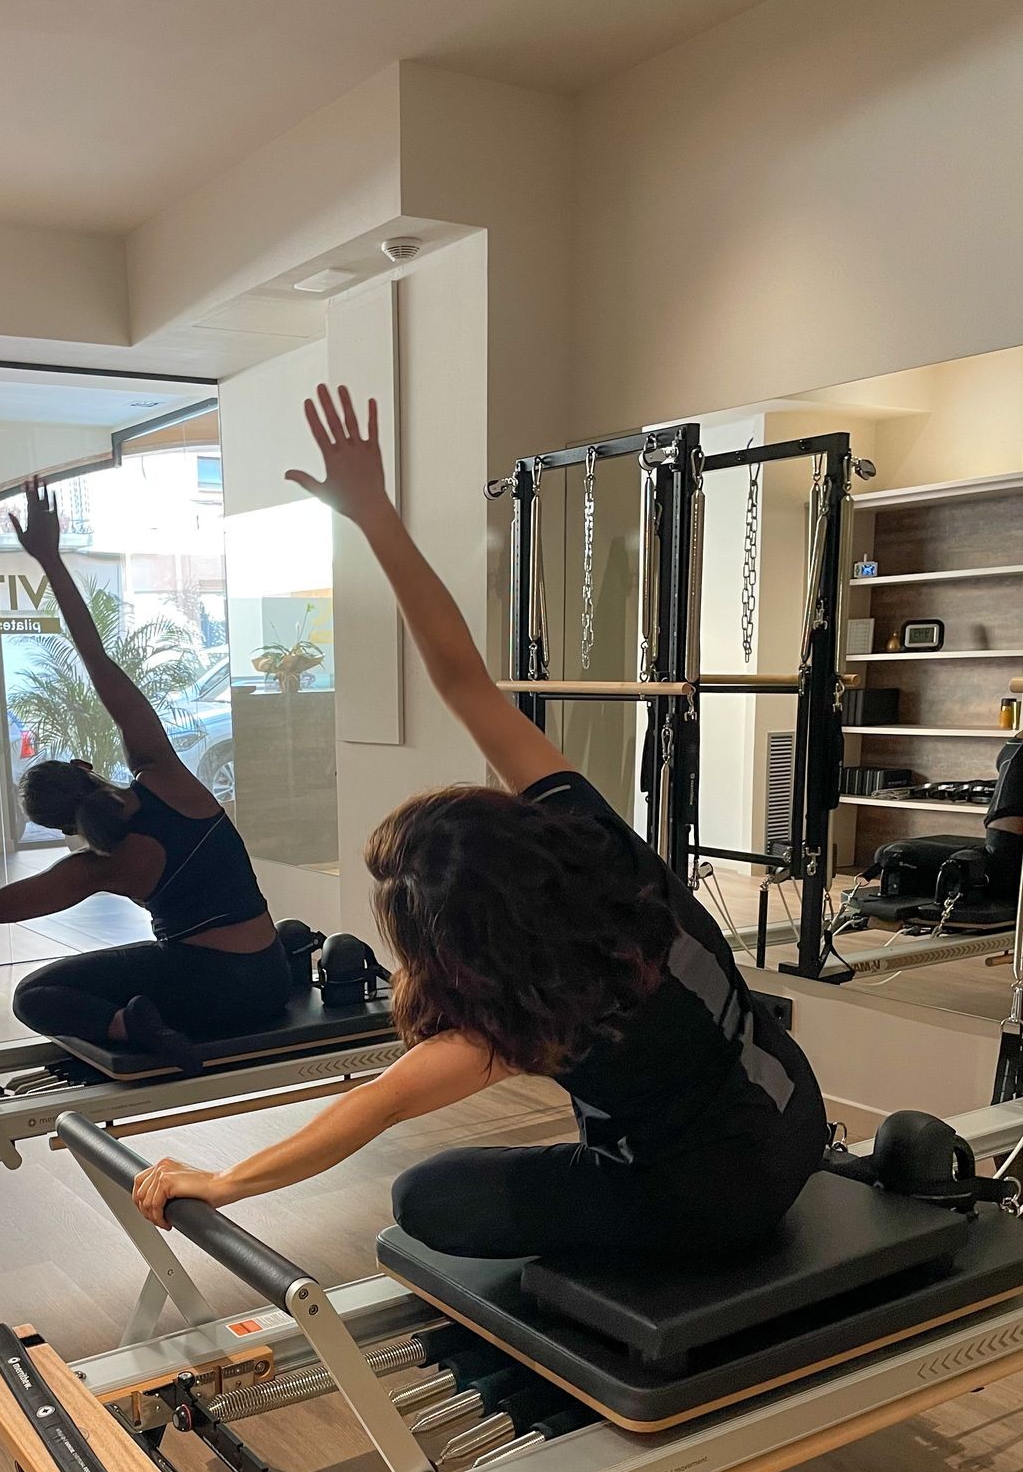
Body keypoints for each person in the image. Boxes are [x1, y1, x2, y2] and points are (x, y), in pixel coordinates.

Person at [134, 385, 828, 1259]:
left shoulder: (521, 1017)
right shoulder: (592, 838)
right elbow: (464, 680)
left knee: (428, 1196)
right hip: (794, 1111)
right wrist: (375, 515)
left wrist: (222, 1180)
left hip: (713, 1196)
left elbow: (370, 1108)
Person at [0, 477, 289, 1076]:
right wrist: (48, 556)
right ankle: (148, 1017)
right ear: (84, 768)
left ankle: (129, 1026)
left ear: (59, 827)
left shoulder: (94, 867)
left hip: (204, 993)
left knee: (35, 996)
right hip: (268, 979)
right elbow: (96, 658)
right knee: (261, 936)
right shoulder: (168, 778)